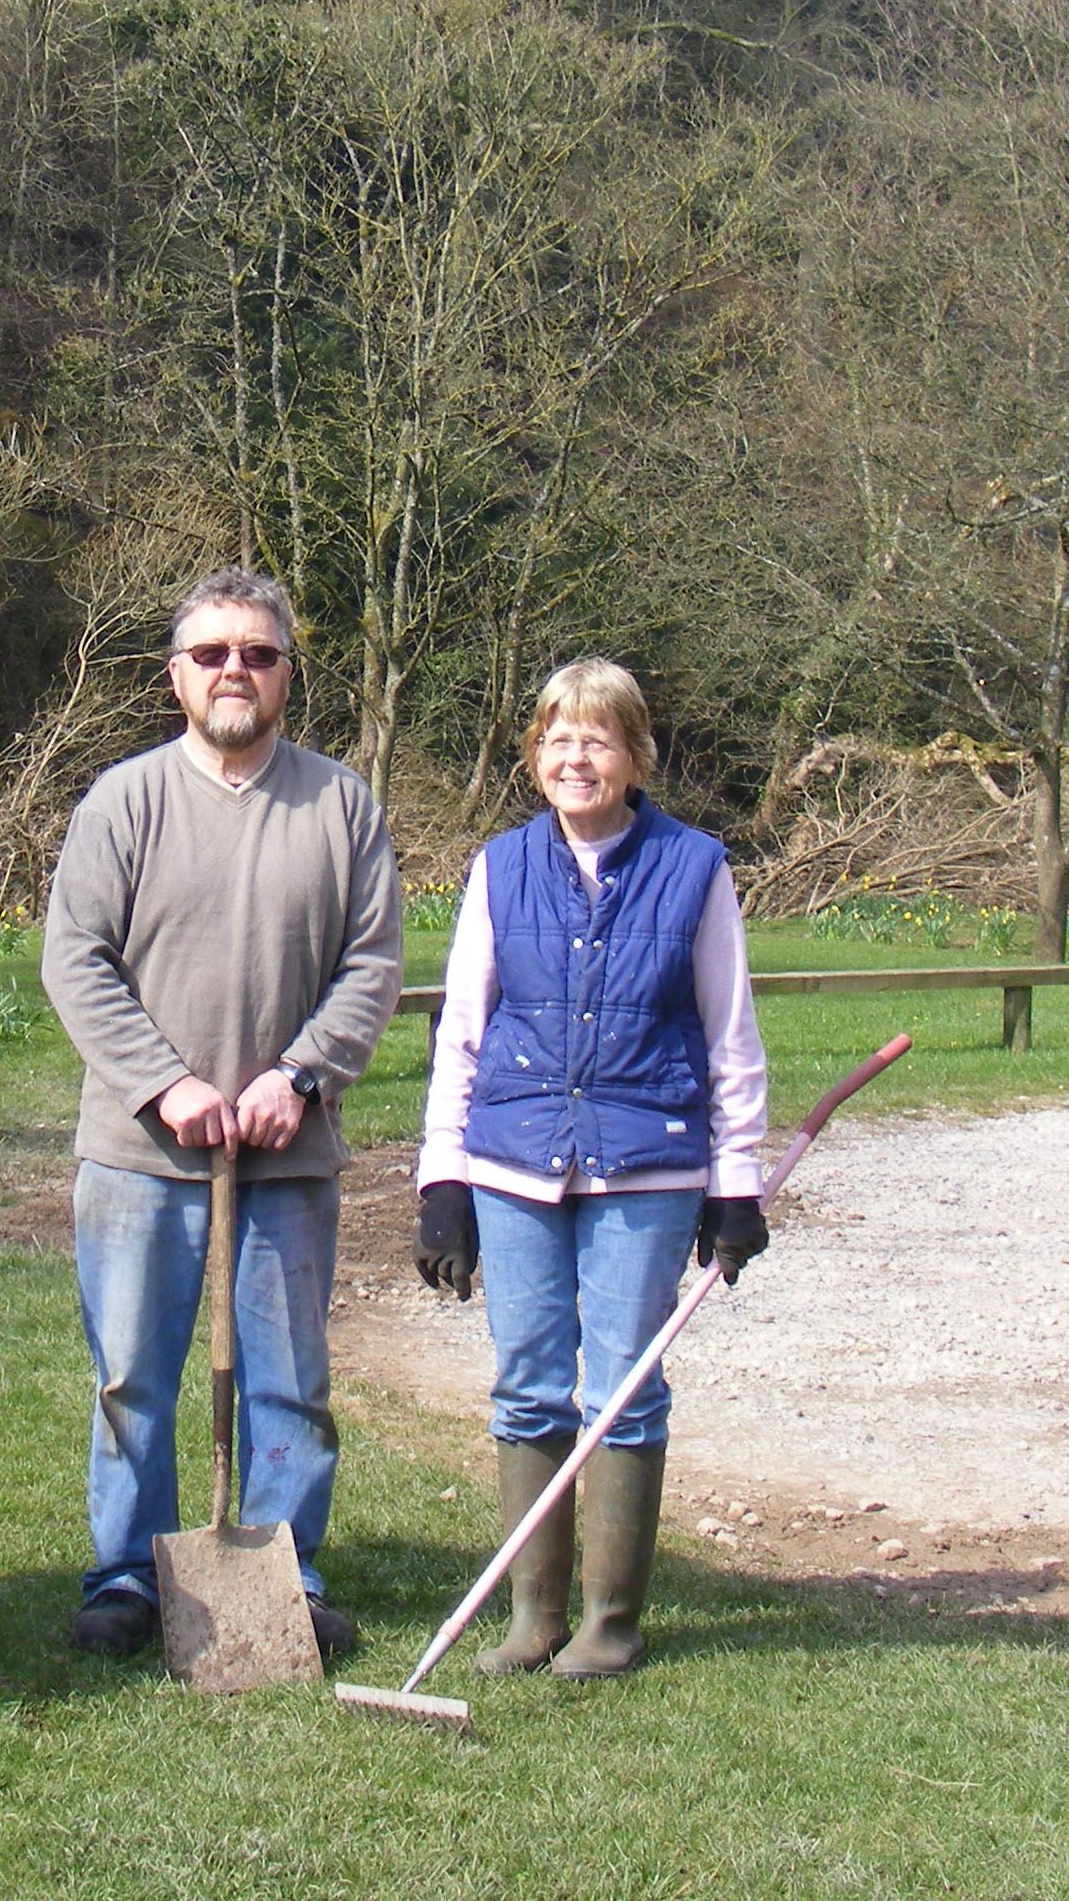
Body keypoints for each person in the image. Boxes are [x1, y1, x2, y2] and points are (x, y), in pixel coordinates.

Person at [43, 569, 402, 1662]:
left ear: (288, 672)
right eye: (211, 655)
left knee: (290, 1382)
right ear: (175, 676)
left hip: (287, 1157)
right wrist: (168, 1083)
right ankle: (128, 1577)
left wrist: (299, 1077)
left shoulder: (341, 805)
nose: (235, 671)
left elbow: (372, 963)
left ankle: (286, 1573)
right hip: (140, 1153)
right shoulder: (125, 801)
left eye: (258, 653)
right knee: (133, 1373)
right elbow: (75, 960)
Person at [412, 656, 769, 1679]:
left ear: (634, 756)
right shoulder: (500, 868)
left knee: (625, 1389)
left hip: (647, 1167)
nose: (578, 757)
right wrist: (443, 1181)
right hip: (514, 1164)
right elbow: (464, 1036)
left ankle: (611, 1622)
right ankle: (534, 1617)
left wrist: (733, 1182)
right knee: (527, 1390)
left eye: (599, 739)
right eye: (559, 739)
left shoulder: (695, 867)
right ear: (534, 757)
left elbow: (729, 1035)